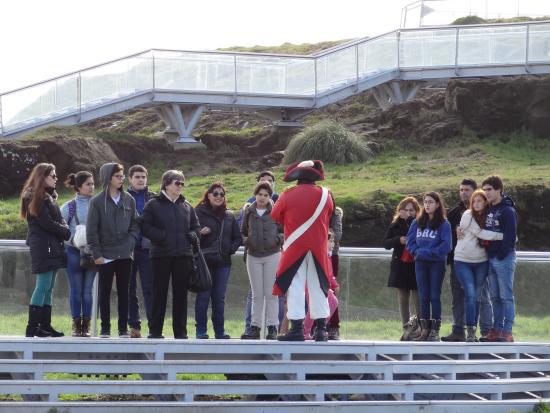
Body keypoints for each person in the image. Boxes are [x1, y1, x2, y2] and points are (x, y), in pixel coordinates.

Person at [272, 160, 334, 342]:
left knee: (295, 287)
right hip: (318, 247)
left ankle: (297, 329)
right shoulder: (326, 195)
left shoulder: (287, 194)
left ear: (297, 177)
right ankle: (321, 330)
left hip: (295, 247)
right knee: (318, 286)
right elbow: (328, 215)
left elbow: (275, 216)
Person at [141, 170, 200, 339]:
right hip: (161, 256)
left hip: (183, 256)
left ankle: (180, 333)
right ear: (166, 184)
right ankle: (155, 331)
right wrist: (162, 236)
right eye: (177, 182)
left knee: (181, 295)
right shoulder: (153, 204)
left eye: (182, 183)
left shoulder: (187, 206)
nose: (180, 186)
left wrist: (193, 236)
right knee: (159, 294)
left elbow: (196, 226)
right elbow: (144, 226)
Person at [87, 163, 139, 338]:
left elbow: (135, 224)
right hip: (105, 254)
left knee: (125, 291)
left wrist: (131, 241)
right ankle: (105, 328)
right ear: (108, 177)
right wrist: (97, 254)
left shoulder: (129, 199)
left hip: (125, 253)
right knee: (105, 291)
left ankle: (123, 328)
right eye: (118, 176)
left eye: (122, 175)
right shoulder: (96, 202)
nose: (121, 178)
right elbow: (91, 231)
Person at [20, 163, 71, 338]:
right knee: (42, 286)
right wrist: (66, 232)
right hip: (44, 247)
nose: (56, 178)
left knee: (49, 287)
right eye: (53, 176)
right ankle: (32, 327)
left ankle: (45, 325)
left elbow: (59, 220)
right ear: (43, 177)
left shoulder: (49, 197)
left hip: (52, 246)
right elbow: (47, 223)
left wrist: (64, 228)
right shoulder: (36, 197)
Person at [442, 179, 492, 342]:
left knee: (481, 297)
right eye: (461, 190)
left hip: (480, 261)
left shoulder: (486, 211)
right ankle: (458, 330)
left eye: (467, 190)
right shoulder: (454, 213)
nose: (463, 193)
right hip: (459, 261)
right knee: (458, 297)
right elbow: (447, 238)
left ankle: (486, 331)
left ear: (476, 191)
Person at [454, 189, 504, 342]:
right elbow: (481, 233)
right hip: (463, 260)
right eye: (474, 201)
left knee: (476, 297)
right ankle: (469, 331)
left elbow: (491, 229)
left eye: (480, 201)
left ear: (485, 202)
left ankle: (475, 331)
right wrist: (503, 236)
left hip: (482, 261)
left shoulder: (489, 217)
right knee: (470, 294)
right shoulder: (467, 215)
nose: (476, 204)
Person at [194, 182, 242, 339]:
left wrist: (230, 250)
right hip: (204, 262)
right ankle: (201, 331)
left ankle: (219, 332)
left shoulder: (229, 216)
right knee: (203, 297)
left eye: (222, 194)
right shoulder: (198, 212)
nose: (219, 197)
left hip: (223, 262)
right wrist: (200, 233)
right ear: (208, 195)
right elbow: (190, 235)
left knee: (219, 298)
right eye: (215, 193)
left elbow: (237, 237)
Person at [239, 171, 281, 338]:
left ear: (270, 196)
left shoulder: (276, 210)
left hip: (272, 254)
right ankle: (254, 328)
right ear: (255, 195)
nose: (262, 197)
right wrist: (247, 241)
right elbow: (242, 230)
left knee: (271, 293)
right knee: (257, 294)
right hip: (253, 255)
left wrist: (278, 239)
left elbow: (284, 230)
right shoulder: (249, 211)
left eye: (266, 195)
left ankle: (272, 328)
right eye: (259, 194)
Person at [406, 192, 452, 342]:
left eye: (431, 202)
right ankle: (424, 329)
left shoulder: (444, 224)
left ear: (438, 204)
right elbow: (410, 242)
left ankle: (435, 331)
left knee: (434, 296)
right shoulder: (417, 222)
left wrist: (426, 252)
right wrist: (416, 252)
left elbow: (446, 246)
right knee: (423, 296)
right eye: (425, 202)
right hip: (420, 264)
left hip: (436, 264)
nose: (427, 205)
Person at [480, 175, 518, 342]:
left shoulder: (508, 211)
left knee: (506, 296)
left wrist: (500, 255)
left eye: (489, 189)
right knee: (494, 296)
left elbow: (510, 237)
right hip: (490, 257)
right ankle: (496, 329)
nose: (486, 193)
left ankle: (507, 331)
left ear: (499, 190)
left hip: (504, 258)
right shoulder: (489, 209)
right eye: (485, 189)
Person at [60, 171, 96, 337]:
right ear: (79, 186)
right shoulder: (69, 207)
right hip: (74, 252)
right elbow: (59, 229)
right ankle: (76, 325)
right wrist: (72, 241)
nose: (92, 187)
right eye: (88, 184)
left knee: (88, 290)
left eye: (93, 183)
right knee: (76, 289)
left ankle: (86, 326)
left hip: (93, 252)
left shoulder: (98, 204)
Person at [383, 196, 421, 341]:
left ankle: (421, 328)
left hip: (416, 264)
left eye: (412, 210)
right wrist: (398, 240)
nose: (408, 213)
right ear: (400, 211)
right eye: (405, 210)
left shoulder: (420, 223)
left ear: (417, 211)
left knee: (418, 298)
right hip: (400, 265)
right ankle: (407, 329)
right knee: (403, 298)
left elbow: (418, 234)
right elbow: (385, 243)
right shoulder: (395, 224)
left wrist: (410, 220)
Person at [126, 165, 156, 338]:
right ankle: (134, 326)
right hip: (128, 249)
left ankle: (153, 325)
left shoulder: (153, 198)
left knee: (149, 288)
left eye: (143, 177)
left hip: (147, 249)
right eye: (137, 177)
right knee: (129, 289)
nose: (141, 180)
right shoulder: (122, 197)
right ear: (130, 178)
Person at [327, 206, 343, 340]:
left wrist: (326, 236)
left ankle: (334, 326)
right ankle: (316, 324)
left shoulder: (335, 214)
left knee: (331, 289)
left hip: (332, 255)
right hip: (316, 254)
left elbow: (337, 234)